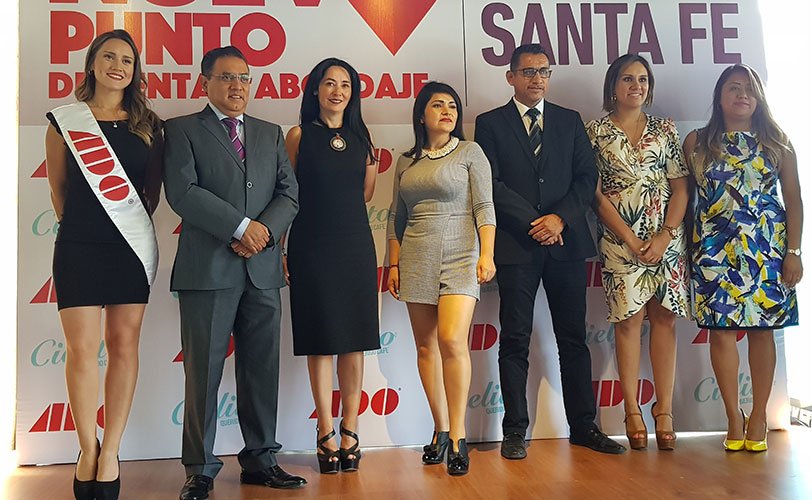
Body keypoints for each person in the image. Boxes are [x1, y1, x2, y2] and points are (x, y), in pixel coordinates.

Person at [163, 46, 304, 500]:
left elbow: (288, 194)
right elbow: (182, 192)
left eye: (244, 77)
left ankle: (261, 460)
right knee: (203, 372)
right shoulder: (181, 129)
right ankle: (200, 468)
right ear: (204, 82)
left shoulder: (270, 132)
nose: (237, 85)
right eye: (226, 77)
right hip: (208, 271)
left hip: (262, 272)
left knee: (261, 369)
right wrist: (242, 228)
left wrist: (262, 232)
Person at [474, 43, 626, 458]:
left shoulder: (569, 120)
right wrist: (536, 223)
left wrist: (559, 220)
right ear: (511, 77)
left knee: (573, 339)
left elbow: (586, 178)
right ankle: (514, 431)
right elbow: (490, 182)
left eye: (543, 71)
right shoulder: (490, 123)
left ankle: (584, 426)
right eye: (528, 72)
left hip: (566, 243)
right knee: (515, 340)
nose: (537, 79)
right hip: (517, 245)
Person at [44, 29, 162, 500]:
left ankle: (111, 450)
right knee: (81, 350)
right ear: (92, 64)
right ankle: (86, 447)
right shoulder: (65, 122)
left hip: (129, 247)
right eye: (109, 57)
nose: (118, 66)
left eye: (127, 60)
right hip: (78, 245)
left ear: (135, 71)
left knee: (123, 346)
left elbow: (151, 193)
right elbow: (59, 192)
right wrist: (83, 229)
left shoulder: (149, 125)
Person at [683, 64, 802, 453]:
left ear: (759, 99)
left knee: (763, 332)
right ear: (719, 97)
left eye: (750, 89)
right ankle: (733, 416)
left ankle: (759, 416)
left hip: (766, 251)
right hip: (714, 250)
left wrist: (794, 252)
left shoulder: (778, 142)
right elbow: (686, 199)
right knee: (720, 332)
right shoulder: (697, 142)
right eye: (734, 88)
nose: (742, 95)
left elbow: (794, 200)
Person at [386, 81, 496, 476]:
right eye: (437, 105)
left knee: (451, 339)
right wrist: (393, 264)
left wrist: (487, 253)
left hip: (462, 254)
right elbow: (396, 218)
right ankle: (440, 428)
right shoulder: (405, 161)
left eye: (452, 105)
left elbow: (484, 206)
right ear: (421, 115)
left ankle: (460, 435)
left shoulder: (470, 151)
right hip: (416, 255)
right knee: (425, 346)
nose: (447, 111)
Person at [586, 54, 690, 451]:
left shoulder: (665, 128)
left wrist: (665, 236)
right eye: (628, 79)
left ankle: (665, 411)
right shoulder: (594, 132)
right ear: (613, 86)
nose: (637, 86)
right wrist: (630, 239)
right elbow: (595, 195)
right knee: (628, 322)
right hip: (619, 241)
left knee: (664, 319)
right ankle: (631, 410)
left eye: (643, 79)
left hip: (666, 240)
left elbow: (680, 188)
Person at [283, 57, 380, 474]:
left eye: (345, 85)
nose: (337, 91)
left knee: (354, 339)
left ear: (353, 93)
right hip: (310, 246)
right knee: (321, 339)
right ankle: (325, 430)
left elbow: (366, 195)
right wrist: (282, 248)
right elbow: (286, 194)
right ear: (315, 89)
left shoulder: (363, 139)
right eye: (329, 83)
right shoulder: (298, 136)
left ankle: (351, 429)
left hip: (355, 245)